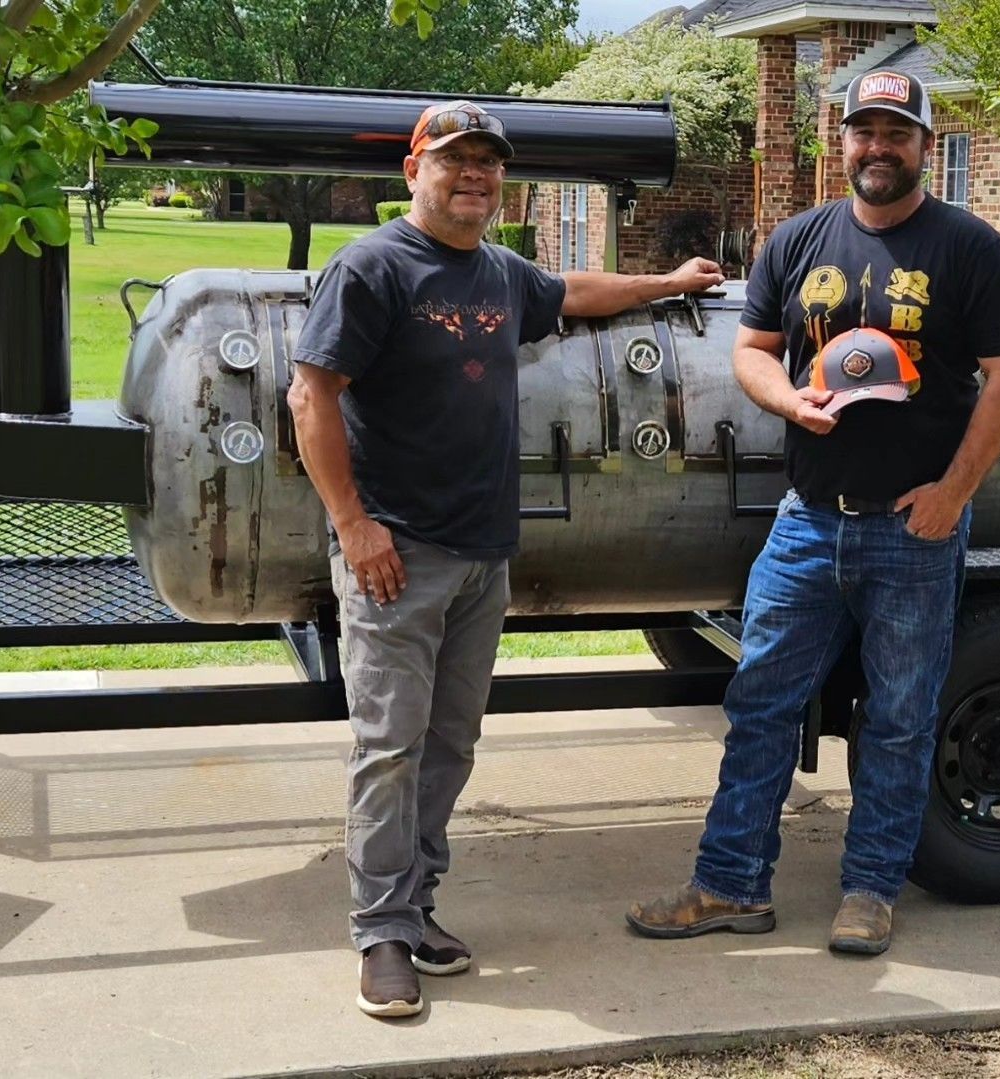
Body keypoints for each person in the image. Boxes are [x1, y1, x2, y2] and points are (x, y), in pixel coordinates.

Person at [288, 99, 723, 1018]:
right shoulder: (371, 268)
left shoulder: (495, 272)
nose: (474, 176)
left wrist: (668, 283)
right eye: (456, 161)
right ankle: (380, 934)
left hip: (483, 552)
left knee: (449, 743)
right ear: (415, 170)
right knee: (389, 748)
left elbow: (573, 294)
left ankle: (416, 905)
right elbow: (309, 396)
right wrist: (355, 526)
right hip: (397, 554)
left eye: (488, 164)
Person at [627, 68, 1000, 955]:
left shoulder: (971, 249)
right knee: (761, 701)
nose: (878, 148)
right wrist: (787, 403)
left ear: (926, 145)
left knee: (898, 713)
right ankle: (731, 883)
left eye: (897, 133)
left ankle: (871, 891)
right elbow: (752, 349)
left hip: (914, 526)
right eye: (863, 131)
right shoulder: (798, 239)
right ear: (839, 143)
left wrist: (954, 494)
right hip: (808, 519)